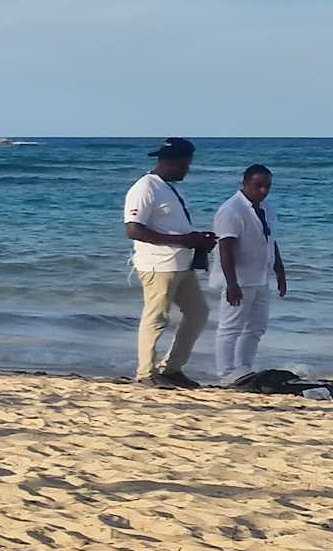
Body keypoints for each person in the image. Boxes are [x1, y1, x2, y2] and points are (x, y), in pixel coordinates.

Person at [122, 138, 218, 386]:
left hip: (181, 263)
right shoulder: (145, 188)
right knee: (156, 317)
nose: (187, 169)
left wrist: (196, 238)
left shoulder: (169, 188)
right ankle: (145, 374)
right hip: (158, 264)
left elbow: (171, 226)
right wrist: (185, 240)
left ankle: (171, 368)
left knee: (198, 313)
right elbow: (134, 230)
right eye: (186, 164)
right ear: (173, 162)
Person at [211, 164, 288, 385]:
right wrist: (231, 283)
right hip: (240, 278)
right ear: (245, 184)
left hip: (261, 276)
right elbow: (225, 248)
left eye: (267, 186)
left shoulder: (267, 208)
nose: (263, 191)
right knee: (230, 327)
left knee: (257, 326)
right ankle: (226, 373)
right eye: (258, 186)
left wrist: (280, 270)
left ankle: (244, 367)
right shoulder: (231, 210)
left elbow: (270, 241)